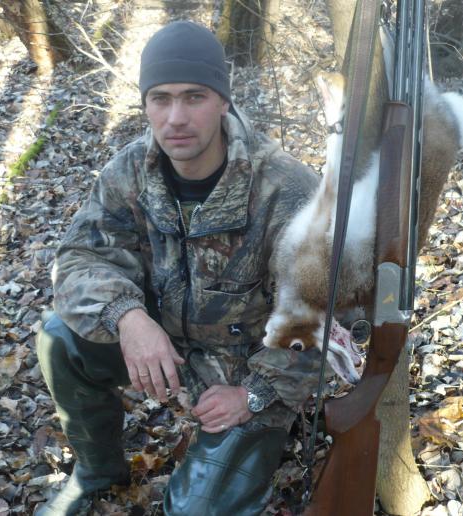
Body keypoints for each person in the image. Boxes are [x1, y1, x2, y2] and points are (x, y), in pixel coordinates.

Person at [35, 20, 323, 516]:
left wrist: (253, 394)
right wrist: (129, 318)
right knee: (59, 338)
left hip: (244, 373)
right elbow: (80, 257)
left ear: (223, 101)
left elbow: (323, 316)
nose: (176, 118)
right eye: (161, 99)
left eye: (194, 97)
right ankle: (97, 471)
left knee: (194, 511)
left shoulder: (287, 189)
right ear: (145, 105)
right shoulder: (131, 170)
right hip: (163, 348)